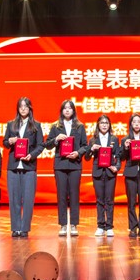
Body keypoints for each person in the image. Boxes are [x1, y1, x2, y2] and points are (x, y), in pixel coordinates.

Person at [3, 97, 45, 238]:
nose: (23, 109)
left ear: (30, 108)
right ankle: (15, 228)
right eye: (20, 106)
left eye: (26, 106)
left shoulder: (36, 126)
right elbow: (5, 142)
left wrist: (31, 155)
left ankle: (25, 228)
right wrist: (9, 141)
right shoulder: (11, 124)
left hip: (29, 166)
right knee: (14, 199)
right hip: (13, 166)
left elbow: (41, 145)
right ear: (18, 108)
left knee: (28, 199)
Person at [46, 99, 88, 237]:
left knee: (74, 195)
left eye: (70, 108)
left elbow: (85, 146)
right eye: (65, 108)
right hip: (60, 164)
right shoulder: (55, 126)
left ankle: (74, 224)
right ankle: (63, 224)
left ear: (73, 110)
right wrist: (56, 139)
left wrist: (78, 153)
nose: (67, 110)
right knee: (62, 195)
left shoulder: (80, 126)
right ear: (62, 111)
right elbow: (48, 145)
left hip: (75, 165)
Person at [85, 114, 120, 237]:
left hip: (110, 172)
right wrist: (91, 149)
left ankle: (109, 226)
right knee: (100, 200)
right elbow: (87, 157)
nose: (104, 125)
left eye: (106, 123)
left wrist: (117, 167)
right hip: (98, 172)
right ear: (98, 125)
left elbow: (118, 155)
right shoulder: (92, 140)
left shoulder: (114, 139)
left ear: (109, 125)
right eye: (102, 123)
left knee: (109, 200)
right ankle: (100, 226)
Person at [120, 113, 140, 238]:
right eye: (134, 122)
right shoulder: (125, 140)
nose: (136, 124)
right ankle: (133, 227)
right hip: (130, 173)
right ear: (130, 124)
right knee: (131, 202)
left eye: (139, 122)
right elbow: (122, 157)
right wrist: (125, 147)